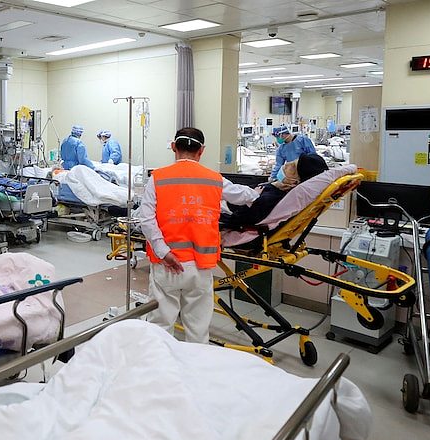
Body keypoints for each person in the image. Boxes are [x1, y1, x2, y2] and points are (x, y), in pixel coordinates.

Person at [136, 127, 260, 344]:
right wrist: (262, 191)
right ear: (201, 151)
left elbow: (146, 220)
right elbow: (243, 195)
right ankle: (196, 371)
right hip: (200, 266)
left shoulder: (158, 178)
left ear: (174, 147)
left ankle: (160, 372)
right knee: (198, 330)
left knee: (160, 328)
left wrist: (164, 252)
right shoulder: (214, 179)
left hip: (167, 264)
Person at [220, 153, 329, 229]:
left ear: (294, 182)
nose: (287, 164)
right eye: (292, 162)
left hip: (221, 208)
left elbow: (239, 218)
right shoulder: (274, 188)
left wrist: (251, 197)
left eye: (292, 167)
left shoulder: (271, 198)